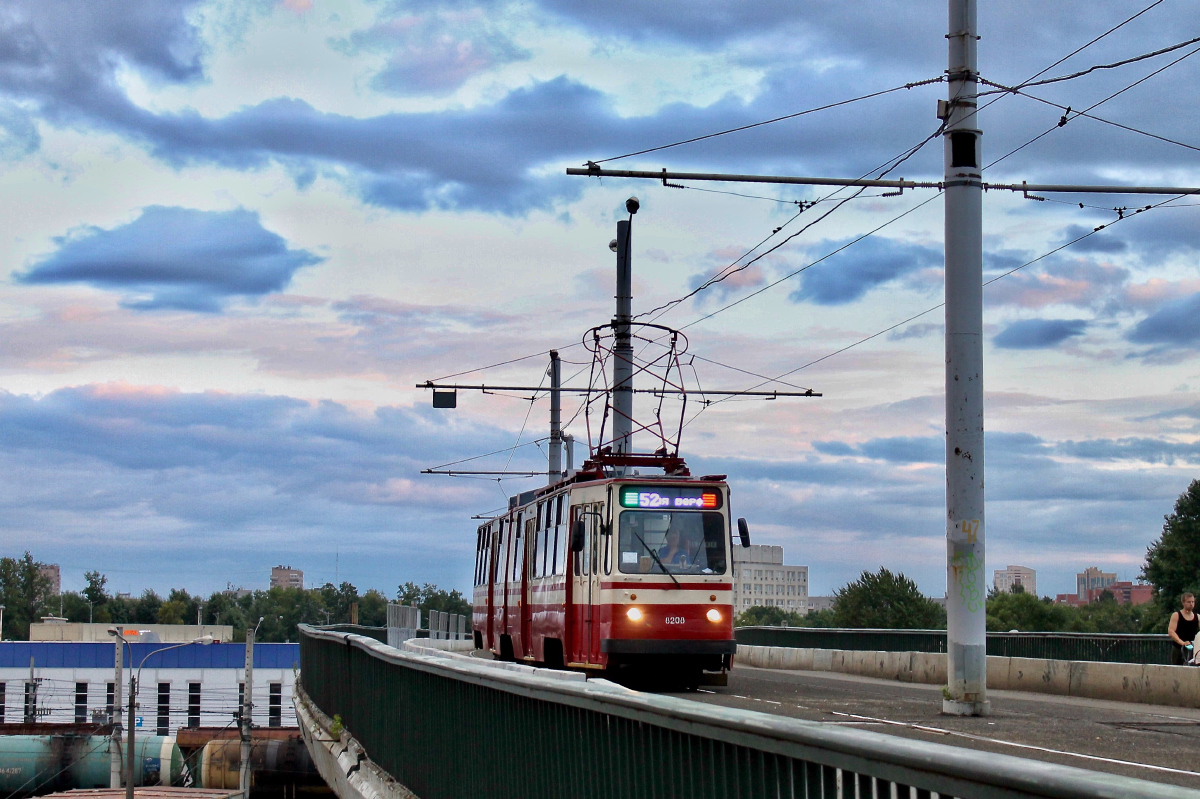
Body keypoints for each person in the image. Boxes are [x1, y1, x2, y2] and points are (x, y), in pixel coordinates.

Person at [1167, 592, 1198, 666]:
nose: (1191, 604)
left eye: (1193, 602)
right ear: (1183, 603)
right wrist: (1182, 643)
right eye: (1189, 602)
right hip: (1178, 648)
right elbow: (1171, 631)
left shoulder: (1197, 617)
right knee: (1176, 669)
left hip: (1192, 649)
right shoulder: (1176, 615)